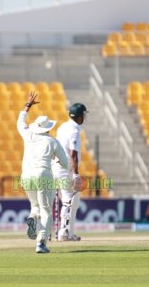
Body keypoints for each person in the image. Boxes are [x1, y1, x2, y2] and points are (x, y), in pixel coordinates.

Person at [17, 91, 68, 253]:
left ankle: (32, 218)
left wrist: (27, 105)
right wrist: (57, 160)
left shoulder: (28, 135)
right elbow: (66, 163)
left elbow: (19, 122)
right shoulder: (52, 141)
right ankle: (41, 242)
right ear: (48, 128)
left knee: (35, 206)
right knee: (46, 210)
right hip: (43, 175)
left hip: (26, 176)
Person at [52, 103, 88, 241]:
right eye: (83, 115)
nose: (84, 117)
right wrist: (76, 174)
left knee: (72, 200)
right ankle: (64, 233)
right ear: (79, 117)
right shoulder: (74, 131)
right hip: (64, 168)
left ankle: (66, 232)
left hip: (57, 166)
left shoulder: (63, 126)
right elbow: (73, 154)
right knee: (69, 200)